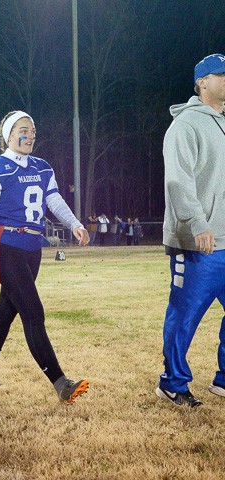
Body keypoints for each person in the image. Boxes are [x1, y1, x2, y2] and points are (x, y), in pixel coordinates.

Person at [0, 110, 90, 405]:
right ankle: (61, 383)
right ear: (8, 135)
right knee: (33, 313)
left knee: (6, 312)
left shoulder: (42, 166)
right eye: (23, 130)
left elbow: (53, 200)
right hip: (7, 246)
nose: (29, 135)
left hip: (32, 249)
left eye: (32, 130)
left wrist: (74, 223)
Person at [156, 53, 225, 408]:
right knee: (184, 315)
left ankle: (223, 379)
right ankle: (172, 383)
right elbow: (177, 181)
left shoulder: (223, 123)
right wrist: (197, 223)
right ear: (202, 82)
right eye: (221, 75)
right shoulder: (185, 125)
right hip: (197, 241)